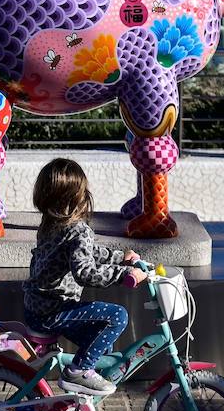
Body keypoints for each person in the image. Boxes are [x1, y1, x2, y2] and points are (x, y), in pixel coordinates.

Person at [23, 158, 145, 395]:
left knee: (103, 344)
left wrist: (120, 257)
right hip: (54, 311)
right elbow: (85, 272)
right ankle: (78, 372)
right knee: (117, 317)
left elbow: (84, 253)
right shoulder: (79, 230)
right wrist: (125, 273)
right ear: (78, 197)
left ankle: (78, 404)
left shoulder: (50, 224)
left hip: (37, 308)